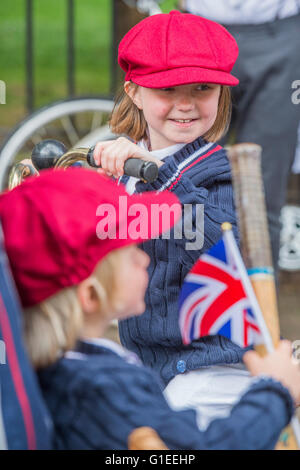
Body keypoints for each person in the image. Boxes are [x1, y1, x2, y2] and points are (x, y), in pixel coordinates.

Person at [0, 168, 299, 450]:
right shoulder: (105, 390)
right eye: (132, 251)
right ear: (91, 295)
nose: (144, 259)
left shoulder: (61, 366)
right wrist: (274, 390)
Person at [92, 10, 253, 426]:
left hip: (216, 365)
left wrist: (157, 174)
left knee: (164, 436)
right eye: (167, 88)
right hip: (148, 365)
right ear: (134, 91)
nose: (185, 103)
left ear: (220, 93)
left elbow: (220, 249)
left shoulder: (222, 173)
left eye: (202, 88)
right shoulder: (121, 171)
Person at [179, 0, 300, 272]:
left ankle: (261, 310)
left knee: (263, 198)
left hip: (278, 34)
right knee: (185, 186)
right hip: (199, 33)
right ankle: (181, 304)